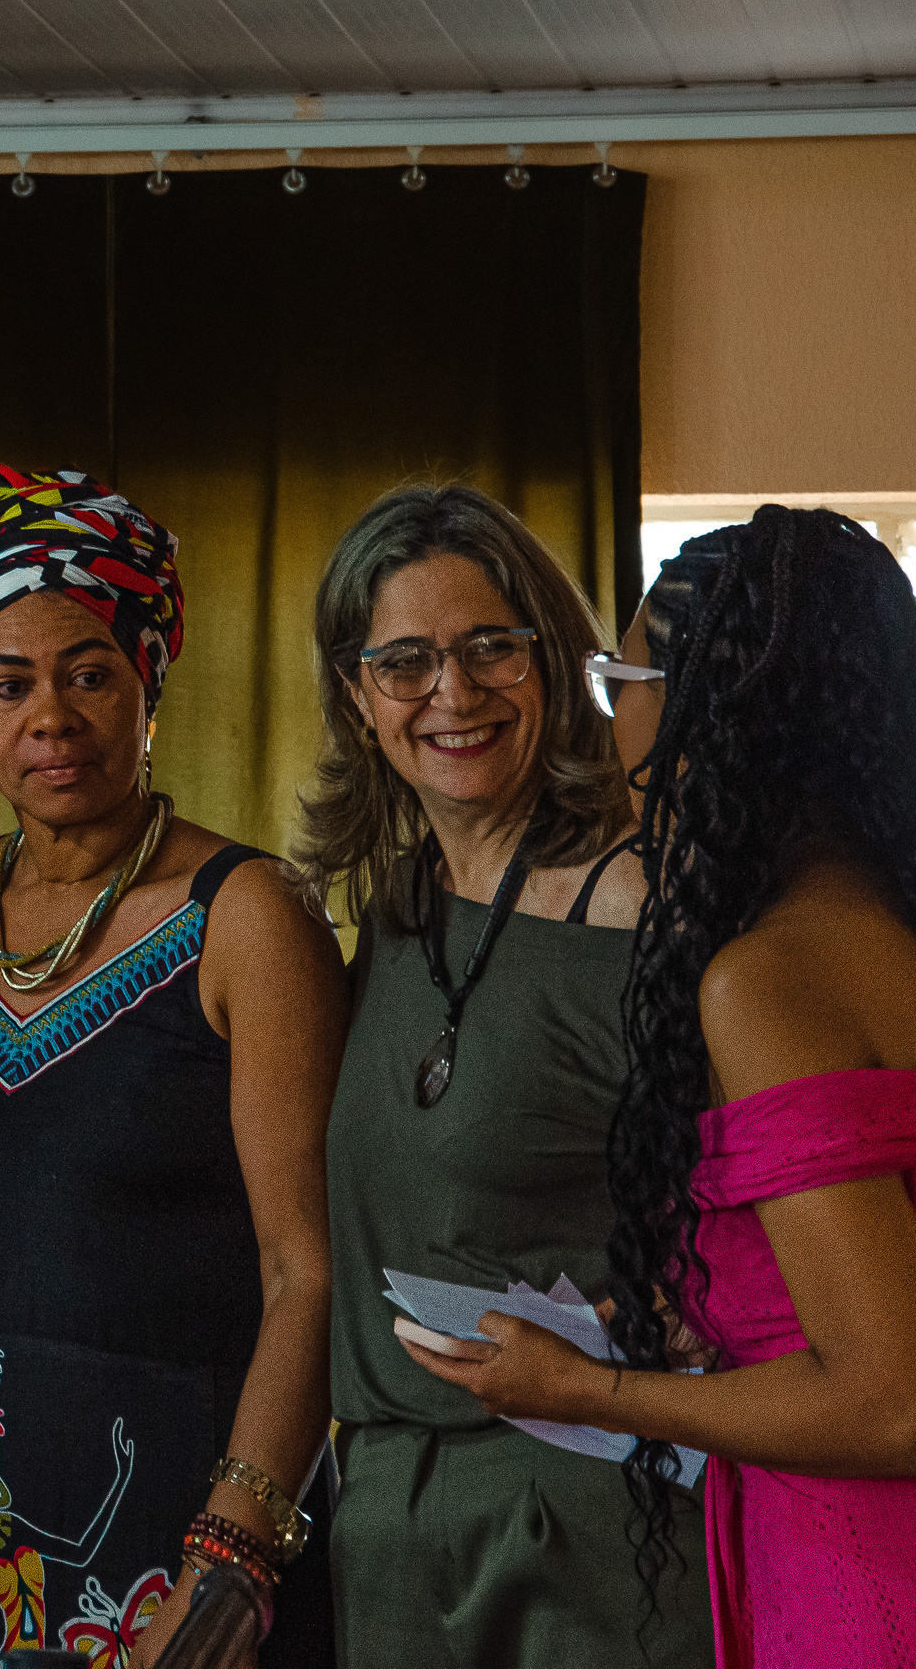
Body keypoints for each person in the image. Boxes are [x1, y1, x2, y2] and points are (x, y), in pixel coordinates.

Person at [404, 508, 916, 1667]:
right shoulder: (888, 928)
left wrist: (589, 1391)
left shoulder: (769, 978)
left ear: (711, 709)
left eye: (622, 680)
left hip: (874, 1583)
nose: (613, 721)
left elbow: (897, 1402)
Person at [0, 465, 343, 1667]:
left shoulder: (246, 918)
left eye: (89, 674)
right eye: (8, 683)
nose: (51, 717)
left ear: (148, 683)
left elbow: (308, 1270)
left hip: (183, 1526)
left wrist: (229, 1561)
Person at [296, 483, 712, 1665]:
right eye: (405, 661)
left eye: (491, 647)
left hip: (591, 1517)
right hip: (388, 1517)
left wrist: (710, 1303)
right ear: (355, 692)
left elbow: (802, 1166)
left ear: (559, 662)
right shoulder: (392, 906)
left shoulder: (648, 898)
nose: (453, 692)